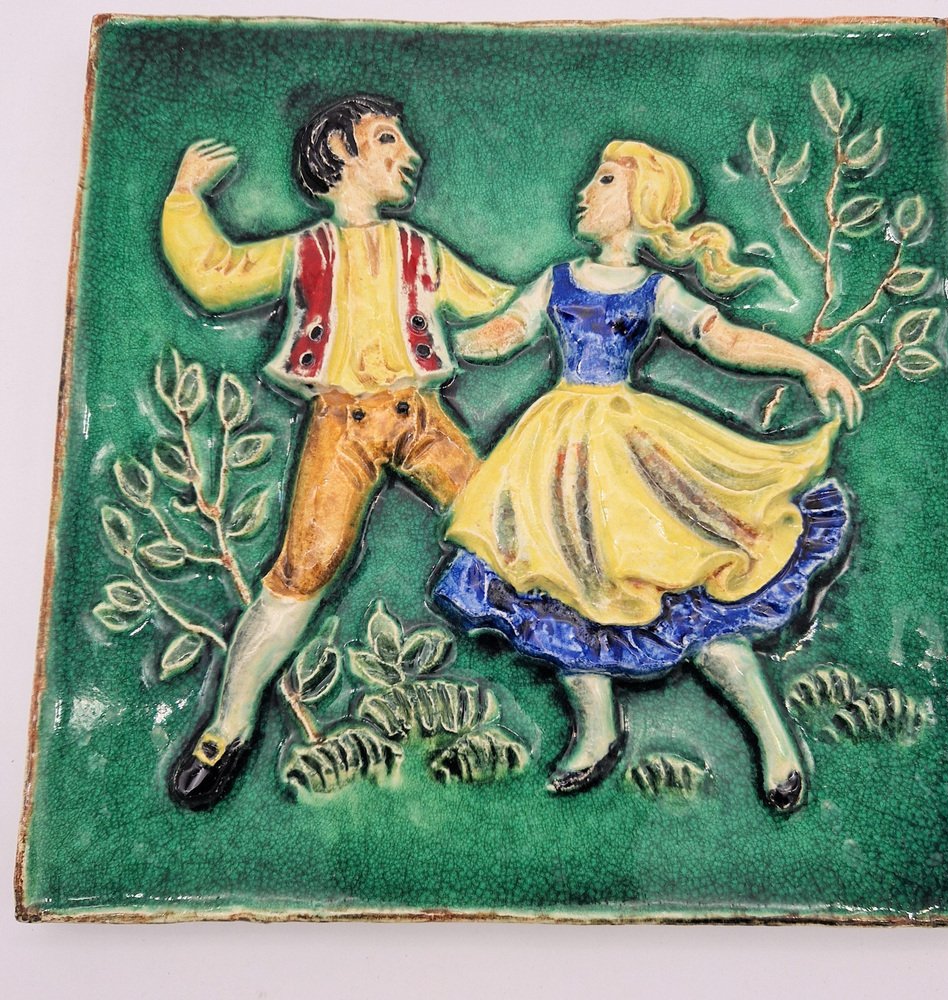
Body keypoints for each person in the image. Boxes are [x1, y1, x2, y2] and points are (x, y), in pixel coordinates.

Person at [434, 140, 862, 807]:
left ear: (643, 203)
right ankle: (597, 729)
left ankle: (775, 740)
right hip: (554, 457)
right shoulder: (557, 277)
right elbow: (507, 333)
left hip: (630, 446)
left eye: (605, 181)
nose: (585, 190)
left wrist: (807, 363)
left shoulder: (655, 288)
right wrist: (437, 340)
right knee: (565, 589)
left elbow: (724, 339)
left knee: (692, 585)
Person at [160, 94, 513, 810]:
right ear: (340, 155)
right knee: (304, 568)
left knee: (506, 522)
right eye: (387, 140)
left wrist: (582, 291)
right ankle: (227, 727)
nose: (408, 153)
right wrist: (185, 197)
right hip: (340, 423)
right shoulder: (305, 253)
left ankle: (599, 653)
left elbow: (497, 302)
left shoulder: (420, 249)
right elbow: (215, 275)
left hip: (418, 415)